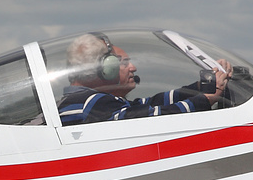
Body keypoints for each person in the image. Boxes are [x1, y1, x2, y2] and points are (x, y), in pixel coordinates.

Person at [57, 32, 232, 126]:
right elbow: (147, 117)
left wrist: (204, 85)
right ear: (102, 67)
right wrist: (203, 100)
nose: (131, 67)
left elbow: (148, 104)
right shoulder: (91, 103)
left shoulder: (83, 101)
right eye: (118, 62)